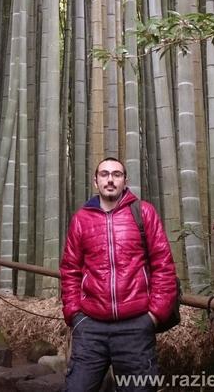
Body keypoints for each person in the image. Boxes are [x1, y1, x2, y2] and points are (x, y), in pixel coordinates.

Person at [60, 157, 177, 392]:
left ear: (125, 180)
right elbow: (70, 270)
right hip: (91, 326)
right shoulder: (81, 219)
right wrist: (75, 315)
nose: (110, 179)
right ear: (96, 181)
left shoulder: (144, 213)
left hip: (135, 326)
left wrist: (154, 315)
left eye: (116, 174)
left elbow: (163, 266)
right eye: (104, 174)